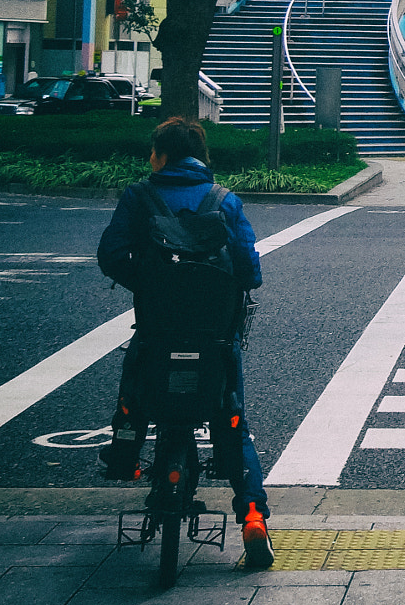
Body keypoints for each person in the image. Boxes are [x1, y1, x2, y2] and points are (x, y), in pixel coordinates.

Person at [96, 117, 273, 569]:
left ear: (161, 155)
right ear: (200, 155)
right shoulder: (224, 201)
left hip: (157, 328)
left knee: (136, 387)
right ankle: (253, 516)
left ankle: (124, 454)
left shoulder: (139, 196)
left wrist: (149, 284)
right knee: (230, 417)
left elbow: (111, 255)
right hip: (215, 334)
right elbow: (250, 270)